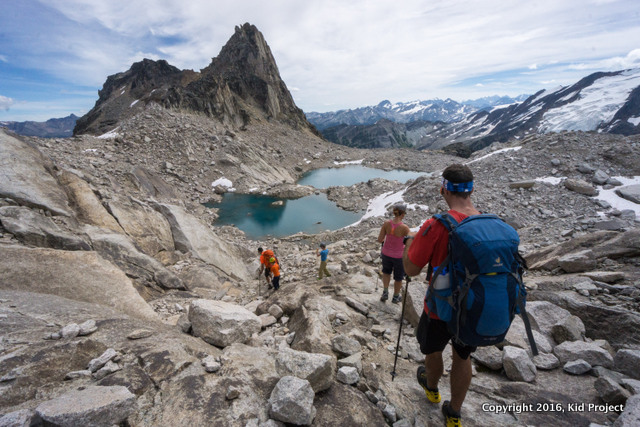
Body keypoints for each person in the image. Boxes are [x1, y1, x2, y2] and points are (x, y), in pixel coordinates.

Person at [403, 164, 481, 427]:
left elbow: (411, 269)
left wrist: (410, 243)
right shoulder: (485, 221)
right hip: (472, 308)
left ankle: (432, 388)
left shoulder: (436, 225)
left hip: (440, 307)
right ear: (471, 190)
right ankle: (454, 414)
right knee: (463, 356)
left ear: (443, 189)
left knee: (433, 350)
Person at [377, 203, 413, 303]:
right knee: (398, 277)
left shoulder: (386, 224)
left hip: (386, 253)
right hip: (398, 256)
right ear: (402, 214)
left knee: (386, 272)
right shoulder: (405, 227)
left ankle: (385, 292)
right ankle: (396, 297)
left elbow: (380, 239)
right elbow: (410, 241)